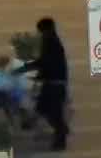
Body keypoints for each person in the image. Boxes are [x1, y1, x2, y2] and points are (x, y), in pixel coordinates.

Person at [13, 17, 70, 150]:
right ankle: (59, 131)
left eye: (41, 31)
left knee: (53, 113)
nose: (40, 34)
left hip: (54, 84)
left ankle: (60, 137)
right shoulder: (52, 41)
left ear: (45, 29)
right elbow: (46, 63)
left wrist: (24, 69)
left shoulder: (50, 42)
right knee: (44, 109)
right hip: (52, 83)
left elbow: (44, 62)